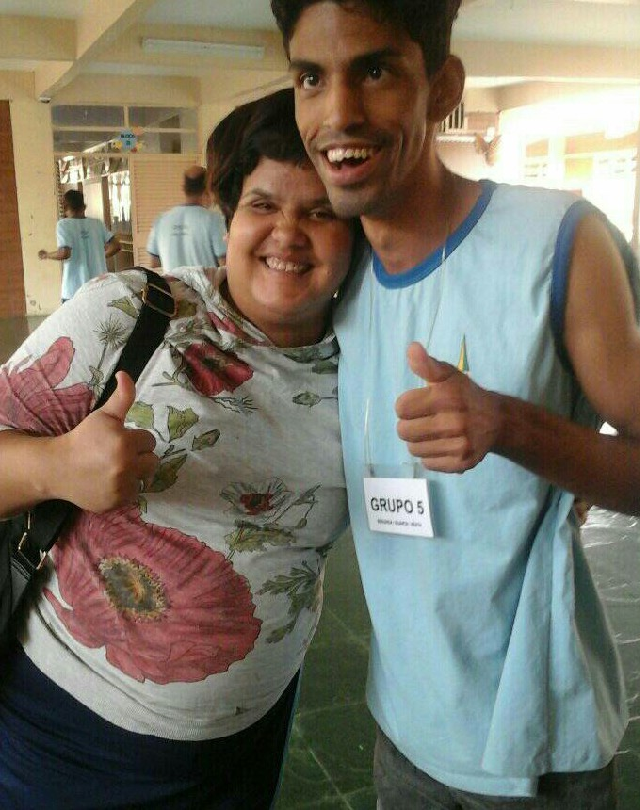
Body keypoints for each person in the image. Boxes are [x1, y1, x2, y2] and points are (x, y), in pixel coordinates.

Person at [270, 0, 640, 807]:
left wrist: (513, 426)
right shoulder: (336, 274)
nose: (339, 113)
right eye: (311, 78)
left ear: (443, 87)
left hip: (535, 745)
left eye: (375, 70)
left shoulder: (558, 242)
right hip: (403, 727)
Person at [0, 88, 361, 809]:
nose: (288, 233)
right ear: (230, 217)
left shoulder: (372, 360)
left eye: (321, 212)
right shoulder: (130, 312)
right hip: (63, 738)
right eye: (263, 204)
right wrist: (55, 467)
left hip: (246, 744)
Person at [38, 189, 121, 302]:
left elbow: (64, 253)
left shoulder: (63, 225)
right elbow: (116, 246)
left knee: (73, 314)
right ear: (83, 206)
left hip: (74, 289)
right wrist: (99, 257)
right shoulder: (97, 224)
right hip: (99, 286)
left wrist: (46, 255)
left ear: (65, 207)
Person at [146, 165, 228, 271]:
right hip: (206, 282)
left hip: (172, 282)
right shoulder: (214, 220)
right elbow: (224, 266)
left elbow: (154, 265)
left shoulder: (161, 220)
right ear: (208, 188)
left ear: (184, 188)